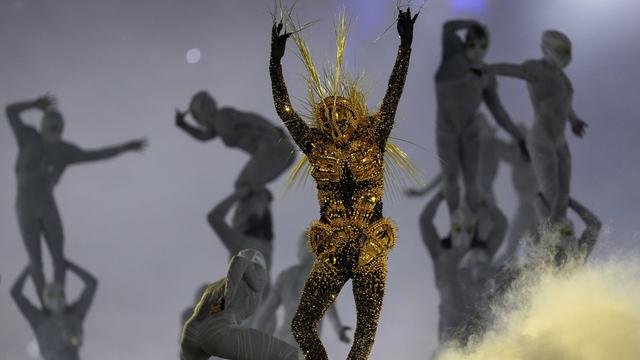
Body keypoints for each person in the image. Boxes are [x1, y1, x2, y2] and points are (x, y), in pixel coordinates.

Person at [269, 8, 418, 359]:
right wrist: (274, 64)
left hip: (370, 245)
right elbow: (283, 108)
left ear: (355, 114)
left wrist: (405, 46)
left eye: (342, 113)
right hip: (334, 247)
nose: (336, 120)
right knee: (301, 326)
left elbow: (394, 91)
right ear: (321, 122)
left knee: (364, 336)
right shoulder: (315, 146)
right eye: (328, 115)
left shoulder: (374, 136)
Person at [6, 95, 146, 298]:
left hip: (46, 206)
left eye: (57, 128)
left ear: (61, 130)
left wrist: (125, 147)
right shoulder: (28, 137)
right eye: (50, 127)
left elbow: (97, 154)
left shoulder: (64, 151)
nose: (53, 131)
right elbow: (10, 111)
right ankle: (46, 305)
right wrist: (34, 105)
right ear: (43, 126)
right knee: (36, 260)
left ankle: (58, 297)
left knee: (58, 256)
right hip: (26, 208)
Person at [490, 30, 588, 224]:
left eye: (568, 51)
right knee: (550, 193)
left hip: (560, 141)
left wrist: (575, 121)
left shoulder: (565, 81)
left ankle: (560, 238)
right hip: (542, 137)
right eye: (562, 50)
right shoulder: (535, 68)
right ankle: (546, 238)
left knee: (563, 194)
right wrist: (484, 68)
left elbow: (565, 105)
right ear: (548, 49)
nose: (566, 55)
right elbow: (512, 69)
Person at [435, 19, 528, 218]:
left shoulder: (487, 75)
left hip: (470, 131)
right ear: (466, 42)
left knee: (471, 180)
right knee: (451, 177)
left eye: (484, 46)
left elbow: (498, 112)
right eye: (474, 44)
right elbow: (448, 28)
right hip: (447, 129)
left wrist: (519, 138)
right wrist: (471, 23)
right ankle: (456, 223)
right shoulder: (453, 54)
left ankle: (474, 227)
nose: (479, 51)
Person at [419, 191, 506, 344]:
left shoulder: (481, 252)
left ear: (474, 230)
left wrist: (487, 203)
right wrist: (440, 196)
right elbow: (425, 221)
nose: (463, 235)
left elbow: (501, 225)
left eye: (469, 229)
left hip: (477, 325)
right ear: (452, 227)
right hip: (450, 328)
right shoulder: (441, 253)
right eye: (458, 228)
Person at [180, 249, 298, 360]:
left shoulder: (214, 291)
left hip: (201, 343)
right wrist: (226, 298)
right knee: (288, 352)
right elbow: (240, 262)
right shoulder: (243, 281)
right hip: (219, 335)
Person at [175, 91, 295, 191]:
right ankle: (260, 202)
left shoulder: (222, 116)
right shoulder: (219, 122)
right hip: (281, 150)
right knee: (248, 186)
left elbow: (230, 137)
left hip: (272, 148)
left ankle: (256, 212)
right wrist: (183, 125)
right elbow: (203, 136)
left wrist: (277, 133)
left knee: (243, 184)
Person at [254, 233, 352, 351]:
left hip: (284, 339)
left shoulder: (285, 276)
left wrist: (254, 334)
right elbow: (330, 307)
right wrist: (338, 328)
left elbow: (265, 311)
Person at [11, 260, 98, 360]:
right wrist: (29, 268)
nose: (57, 299)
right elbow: (15, 293)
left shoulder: (74, 314)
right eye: (51, 295)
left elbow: (92, 284)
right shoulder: (39, 319)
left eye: (60, 294)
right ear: (45, 299)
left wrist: (68, 264)